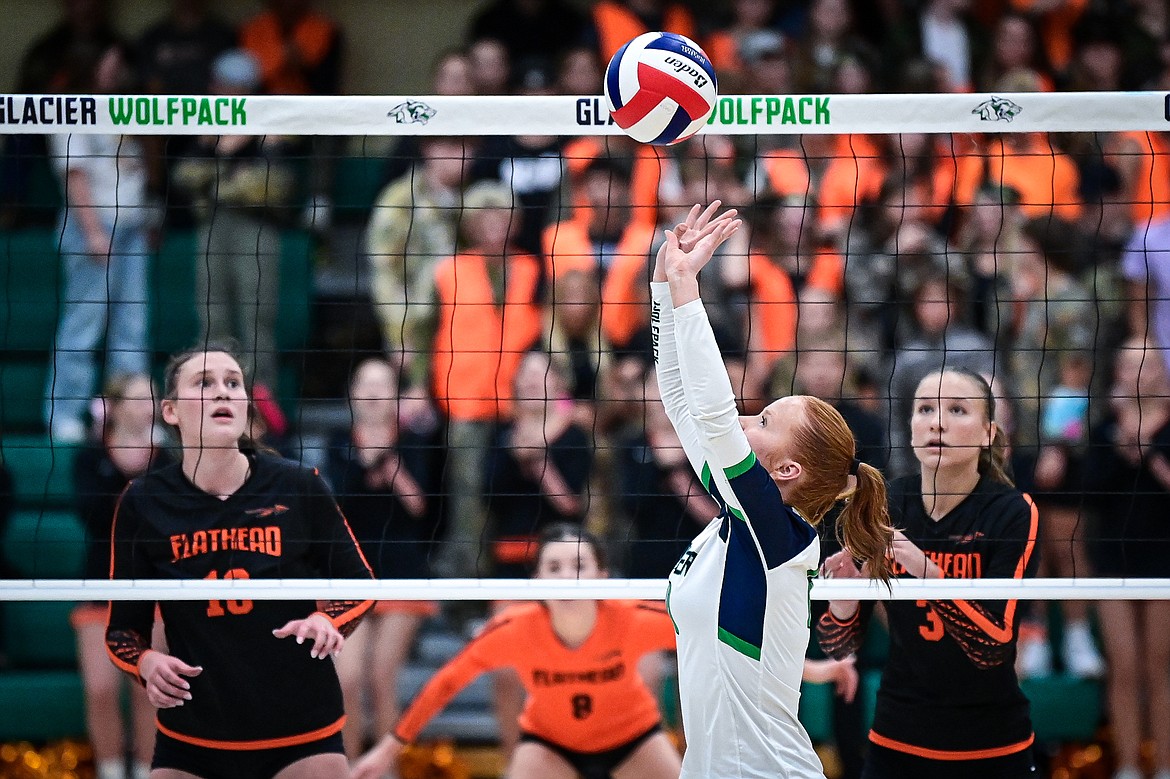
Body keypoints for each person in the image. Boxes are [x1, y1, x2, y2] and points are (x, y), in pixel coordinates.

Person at [653, 202, 893, 778]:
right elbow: (681, 401)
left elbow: (712, 414)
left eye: (763, 423)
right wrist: (663, 286)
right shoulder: (734, 520)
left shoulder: (779, 535)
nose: (747, 420)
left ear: (786, 472)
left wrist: (689, 290)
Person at [105, 344, 375, 779]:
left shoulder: (298, 486)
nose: (223, 392)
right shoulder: (143, 502)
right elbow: (124, 629)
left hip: (301, 733)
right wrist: (145, 662)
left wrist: (330, 622)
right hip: (193, 736)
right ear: (170, 411)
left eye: (233, 383)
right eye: (204, 383)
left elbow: (360, 586)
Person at [819, 367, 1041, 779]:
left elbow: (992, 646)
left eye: (957, 410)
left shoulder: (1012, 511)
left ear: (988, 433)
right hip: (898, 740)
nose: (937, 421)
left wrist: (922, 567)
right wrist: (844, 603)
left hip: (991, 745)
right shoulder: (887, 503)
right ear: (910, 429)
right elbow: (837, 644)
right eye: (924, 409)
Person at [350, 523, 684, 779]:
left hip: (634, 741)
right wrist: (387, 750)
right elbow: (446, 683)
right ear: (536, 579)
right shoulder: (515, 628)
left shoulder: (634, 618)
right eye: (554, 568)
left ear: (603, 575)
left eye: (579, 566)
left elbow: (710, 635)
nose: (568, 577)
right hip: (549, 747)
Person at [327, 358, 441, 759]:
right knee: (348, 679)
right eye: (365, 384)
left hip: (402, 572)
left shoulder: (413, 440)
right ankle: (351, 767)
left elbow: (419, 506)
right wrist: (375, 469)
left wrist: (386, 466)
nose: (374, 393)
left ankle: (385, 770)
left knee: (381, 677)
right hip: (351, 574)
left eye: (382, 385)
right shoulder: (338, 440)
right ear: (352, 393)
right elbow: (339, 502)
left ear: (395, 394)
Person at [44, 42, 151, 444]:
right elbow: (75, 175)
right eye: (109, 64)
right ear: (90, 68)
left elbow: (139, 167)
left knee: (132, 325)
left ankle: (130, 418)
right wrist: (91, 231)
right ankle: (65, 413)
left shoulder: (125, 107)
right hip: (93, 225)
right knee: (84, 323)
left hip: (132, 226)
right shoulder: (69, 108)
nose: (116, 72)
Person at [171, 49, 297, 390]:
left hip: (256, 231)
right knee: (212, 321)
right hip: (212, 230)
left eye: (233, 87)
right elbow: (182, 177)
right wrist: (222, 156)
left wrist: (214, 178)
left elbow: (272, 188)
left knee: (257, 323)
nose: (223, 92)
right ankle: (211, 396)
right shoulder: (207, 129)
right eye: (220, 85)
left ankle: (258, 412)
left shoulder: (269, 125)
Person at [72, 374, 168, 779]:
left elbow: (169, 522)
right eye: (137, 397)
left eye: (152, 397)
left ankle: (149, 773)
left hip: (153, 584)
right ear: (116, 406)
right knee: (100, 691)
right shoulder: (89, 455)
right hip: (100, 581)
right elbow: (91, 516)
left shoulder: (168, 457)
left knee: (149, 691)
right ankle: (112, 773)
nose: (148, 404)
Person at [1084, 339, 1170, 779]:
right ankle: (1130, 768)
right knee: (1124, 667)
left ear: (1161, 370)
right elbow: (1090, 494)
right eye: (1129, 364)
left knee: (1159, 669)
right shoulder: (1105, 428)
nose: (1139, 372)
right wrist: (1121, 448)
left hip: (1164, 561)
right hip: (1113, 560)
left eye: (1147, 364)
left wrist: (1148, 449)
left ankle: (1165, 766)